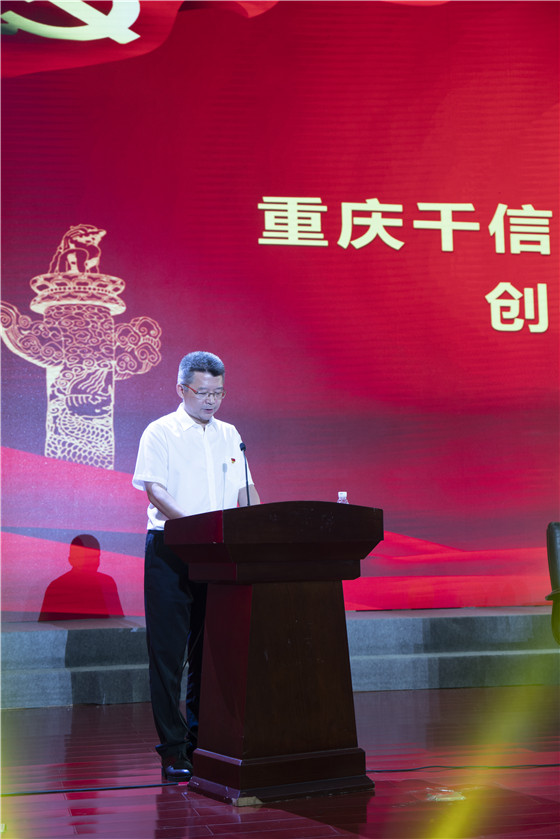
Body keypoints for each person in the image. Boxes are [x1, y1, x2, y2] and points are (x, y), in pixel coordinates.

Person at [132, 351, 260, 782]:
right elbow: (155, 490)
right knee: (169, 656)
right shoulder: (160, 432)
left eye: (218, 393)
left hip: (218, 555)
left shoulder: (230, 434)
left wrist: (262, 524)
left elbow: (246, 490)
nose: (211, 401)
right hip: (172, 550)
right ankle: (173, 750)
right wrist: (196, 529)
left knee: (209, 652)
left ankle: (203, 739)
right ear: (182, 389)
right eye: (203, 392)